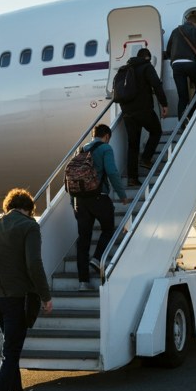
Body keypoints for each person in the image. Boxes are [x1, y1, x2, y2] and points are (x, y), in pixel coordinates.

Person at [0, 188, 53, 391]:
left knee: (9, 346)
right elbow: (34, 263)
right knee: (11, 353)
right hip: (16, 298)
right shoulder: (29, 227)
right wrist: (45, 295)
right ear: (29, 208)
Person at [72, 125, 130, 292]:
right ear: (106, 136)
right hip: (99, 197)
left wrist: (73, 203)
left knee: (83, 241)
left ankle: (83, 282)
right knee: (108, 228)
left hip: (80, 201)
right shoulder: (105, 148)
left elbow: (73, 177)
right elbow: (112, 172)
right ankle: (97, 258)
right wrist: (122, 195)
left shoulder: (81, 150)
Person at [120, 48, 169, 187]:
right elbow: (156, 85)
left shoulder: (126, 68)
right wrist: (164, 104)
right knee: (156, 131)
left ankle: (132, 179)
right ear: (147, 57)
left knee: (133, 145)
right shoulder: (147, 67)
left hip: (127, 113)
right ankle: (146, 158)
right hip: (143, 110)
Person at [165, 15, 196, 117]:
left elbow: (168, 50)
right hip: (191, 63)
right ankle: (191, 112)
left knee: (182, 96)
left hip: (176, 65)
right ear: (195, 23)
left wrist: (173, 60)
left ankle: (182, 122)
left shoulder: (175, 31)